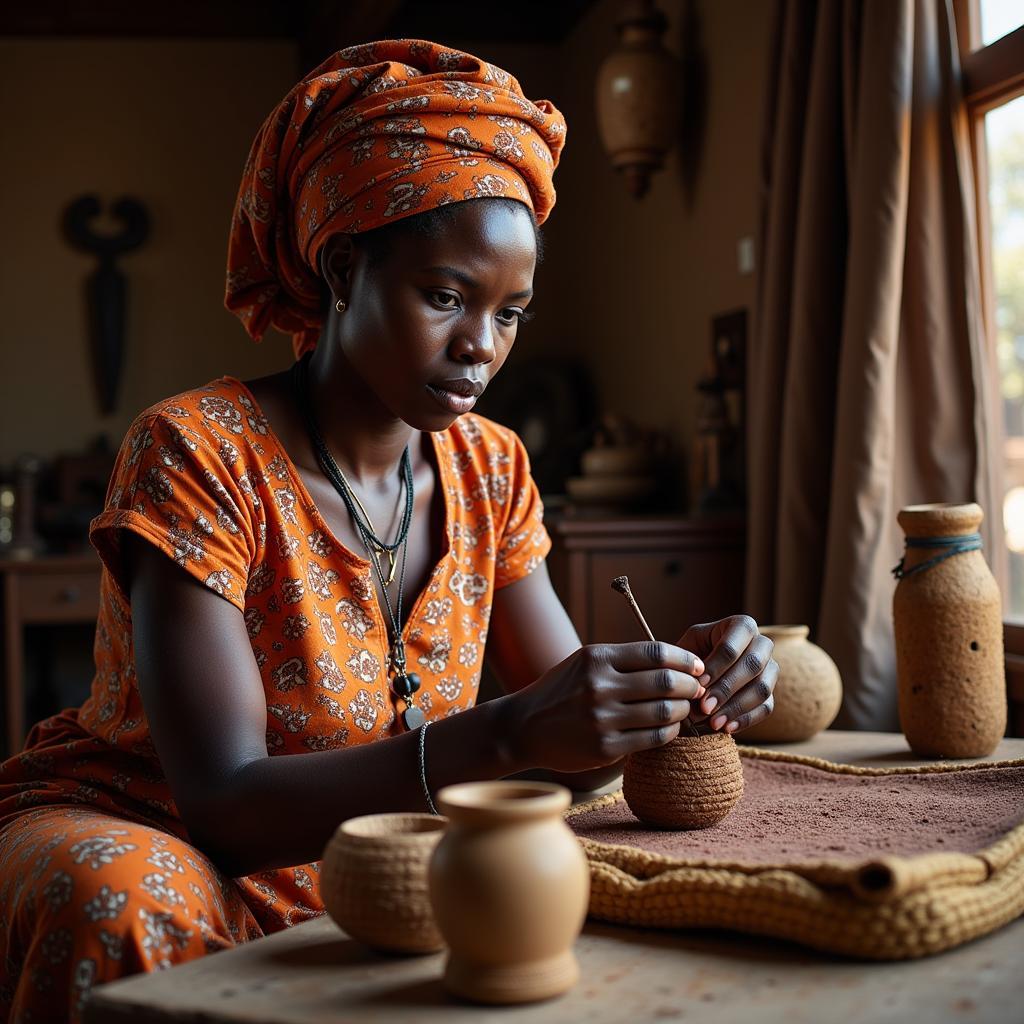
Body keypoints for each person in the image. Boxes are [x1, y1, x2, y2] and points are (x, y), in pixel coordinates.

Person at [0, 39, 777, 1022]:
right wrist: (507, 730)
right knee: (119, 895)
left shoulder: (491, 467)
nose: (479, 348)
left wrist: (672, 693)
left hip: (384, 854)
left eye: (510, 314)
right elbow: (224, 804)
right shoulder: (197, 451)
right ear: (340, 268)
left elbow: (568, 728)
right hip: (157, 833)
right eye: (445, 296)